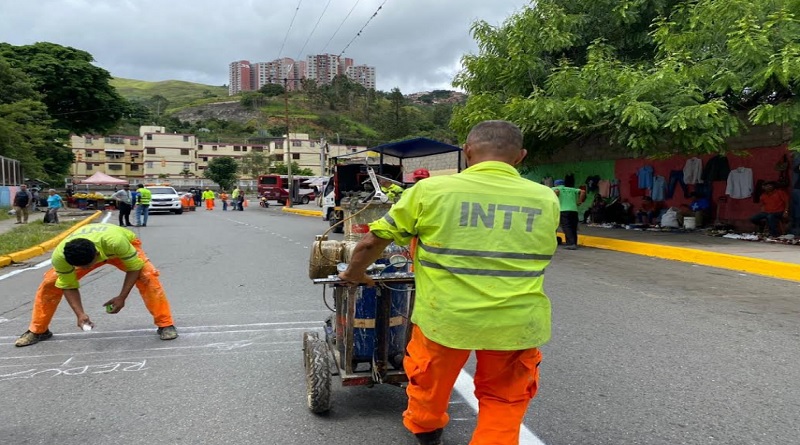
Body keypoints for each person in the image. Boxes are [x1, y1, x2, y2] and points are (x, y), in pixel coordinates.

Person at [339, 120, 560, 445]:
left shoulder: (429, 191)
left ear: (467, 152)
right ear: (520, 157)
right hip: (516, 323)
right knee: (505, 399)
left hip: (444, 318)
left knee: (429, 383)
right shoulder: (546, 199)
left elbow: (372, 242)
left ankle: (427, 432)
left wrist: (354, 274)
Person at [14, 223, 178, 347]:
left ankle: (165, 324)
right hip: (90, 248)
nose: (86, 270)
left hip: (121, 246)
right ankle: (38, 330)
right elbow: (68, 284)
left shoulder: (116, 242)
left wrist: (122, 297)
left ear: (98, 255)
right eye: (81, 267)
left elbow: (134, 268)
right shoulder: (61, 256)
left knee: (147, 276)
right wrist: (80, 314)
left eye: (87, 265)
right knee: (50, 283)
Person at [552, 179, 586, 250]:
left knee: (566, 227)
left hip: (563, 210)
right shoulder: (571, 189)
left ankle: (571, 243)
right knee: (573, 227)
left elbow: (556, 191)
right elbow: (583, 191)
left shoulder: (555, 188)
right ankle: (573, 243)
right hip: (574, 210)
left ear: (555, 184)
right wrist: (579, 201)